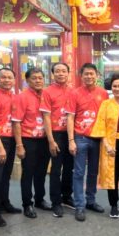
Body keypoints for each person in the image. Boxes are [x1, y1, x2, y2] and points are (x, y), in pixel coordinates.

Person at [67, 63, 109, 221]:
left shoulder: (103, 93)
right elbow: (70, 117)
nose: (89, 76)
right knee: (78, 172)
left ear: (97, 75)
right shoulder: (74, 93)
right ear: (81, 76)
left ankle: (91, 201)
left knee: (93, 172)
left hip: (97, 139)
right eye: (86, 74)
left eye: (92, 74)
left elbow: (106, 118)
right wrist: (71, 140)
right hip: (80, 137)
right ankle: (79, 205)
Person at [91, 73, 119, 219]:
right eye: (114, 86)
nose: (117, 89)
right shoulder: (106, 104)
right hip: (110, 145)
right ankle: (114, 205)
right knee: (112, 176)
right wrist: (107, 145)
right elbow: (100, 126)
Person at [12, 68, 52, 220]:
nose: (38, 81)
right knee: (28, 173)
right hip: (28, 139)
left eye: (40, 78)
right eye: (34, 78)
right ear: (27, 81)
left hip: (44, 139)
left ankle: (40, 199)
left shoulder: (46, 95)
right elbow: (16, 123)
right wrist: (19, 145)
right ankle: (27, 204)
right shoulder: (22, 97)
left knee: (41, 172)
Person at [0, 67, 21, 227]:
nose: (7, 80)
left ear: (14, 80)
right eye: (3, 77)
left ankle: (4, 202)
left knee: (6, 175)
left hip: (11, 139)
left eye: (10, 77)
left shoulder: (15, 97)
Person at [40, 62, 74, 218]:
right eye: (58, 71)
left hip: (71, 134)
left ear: (68, 73)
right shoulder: (47, 92)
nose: (61, 74)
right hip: (56, 134)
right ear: (53, 74)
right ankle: (56, 202)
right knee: (55, 169)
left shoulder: (73, 91)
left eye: (64, 71)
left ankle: (67, 196)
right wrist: (51, 140)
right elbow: (46, 117)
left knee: (69, 168)